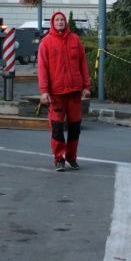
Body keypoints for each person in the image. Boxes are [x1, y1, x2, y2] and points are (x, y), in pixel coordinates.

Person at [38, 11, 91, 171]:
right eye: (57, 20)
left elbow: (83, 64)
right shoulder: (46, 43)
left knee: (75, 128)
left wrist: (86, 87)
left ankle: (71, 158)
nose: (60, 22)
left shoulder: (75, 39)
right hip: (56, 94)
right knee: (57, 128)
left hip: (74, 92)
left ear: (66, 22)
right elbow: (42, 68)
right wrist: (44, 91)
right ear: (52, 23)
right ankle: (59, 158)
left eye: (62, 20)